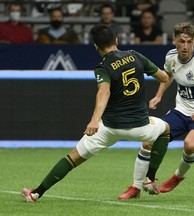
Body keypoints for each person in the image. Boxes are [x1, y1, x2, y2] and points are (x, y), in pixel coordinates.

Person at [21, 23, 170, 202]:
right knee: (165, 129)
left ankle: (36, 193)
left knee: (72, 158)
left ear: (96, 46)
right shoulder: (135, 55)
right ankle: (150, 178)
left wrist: (94, 121)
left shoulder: (103, 67)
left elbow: (103, 91)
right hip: (141, 127)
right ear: (116, 40)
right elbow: (164, 77)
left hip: (109, 128)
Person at [140, 22, 194, 195]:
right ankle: (149, 179)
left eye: (189, 42)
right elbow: (168, 75)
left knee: (189, 145)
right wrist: (158, 96)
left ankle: (178, 176)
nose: (185, 46)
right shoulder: (171, 56)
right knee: (152, 137)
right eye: (181, 41)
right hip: (181, 110)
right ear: (174, 41)